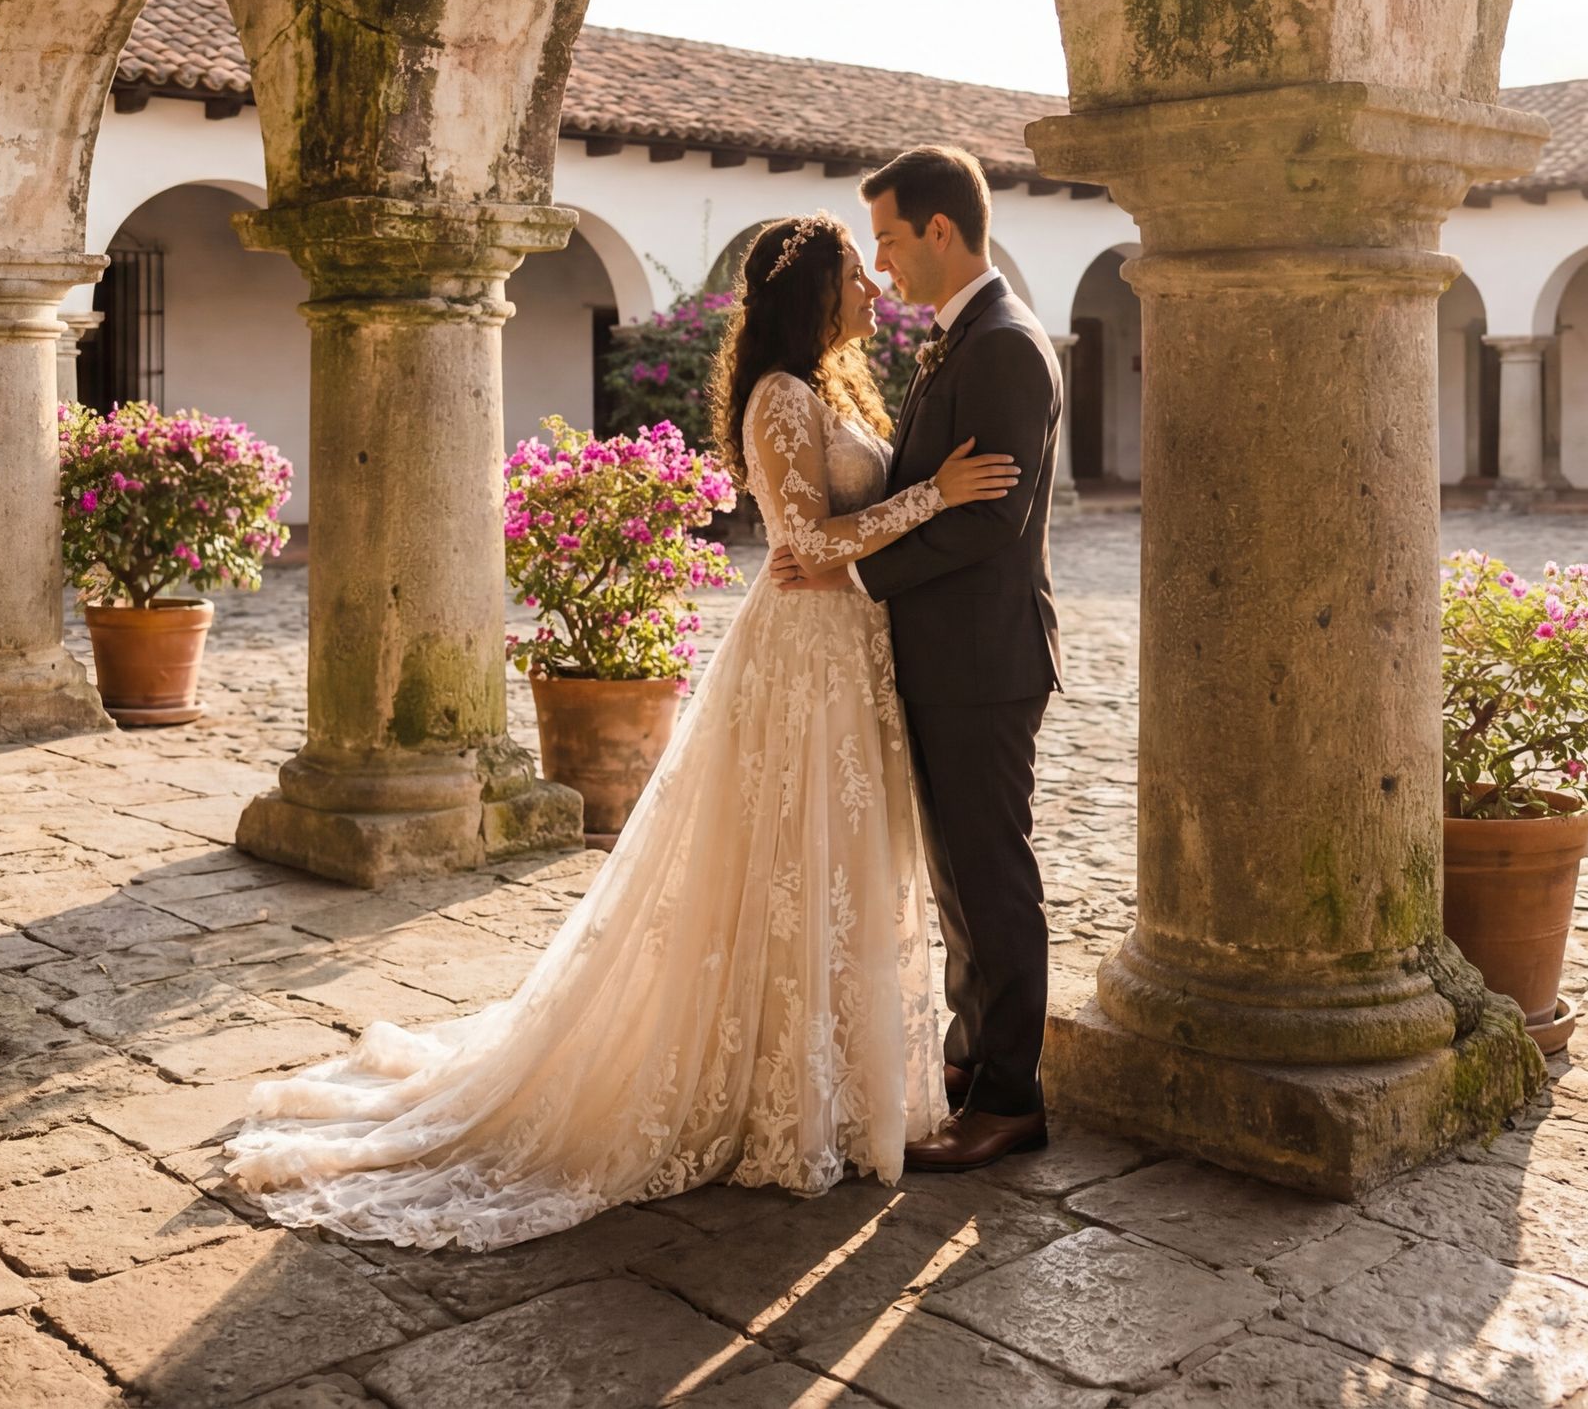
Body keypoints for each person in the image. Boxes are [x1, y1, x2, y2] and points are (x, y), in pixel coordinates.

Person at [222, 208, 1022, 1250]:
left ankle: (834, 1072)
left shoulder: (829, 387)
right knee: (788, 856)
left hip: (848, 656)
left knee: (837, 862)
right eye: (855, 277)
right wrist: (937, 498)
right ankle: (771, 1084)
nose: (875, 287)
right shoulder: (779, 398)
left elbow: (830, 540)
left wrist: (904, 508)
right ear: (812, 295)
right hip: (800, 663)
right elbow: (806, 543)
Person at [768, 144, 1062, 1173]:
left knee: (992, 878)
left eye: (889, 240)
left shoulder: (1005, 346)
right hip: (941, 656)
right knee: (957, 883)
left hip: (984, 659)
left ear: (942, 230)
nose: (882, 265)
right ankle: (972, 1062)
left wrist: (856, 578)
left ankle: (1013, 1096)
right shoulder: (959, 338)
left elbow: (992, 523)